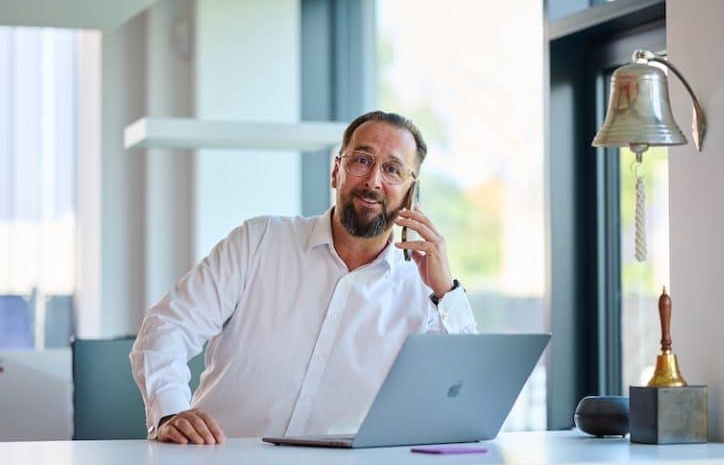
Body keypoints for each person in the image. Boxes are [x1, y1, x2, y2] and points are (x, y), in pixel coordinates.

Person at [130, 111, 477, 444]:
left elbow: (467, 397)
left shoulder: (423, 289)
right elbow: (167, 327)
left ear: (411, 195)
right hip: (220, 464)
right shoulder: (259, 241)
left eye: (392, 170)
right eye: (362, 161)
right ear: (335, 171)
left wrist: (447, 293)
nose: (373, 181)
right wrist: (170, 412)